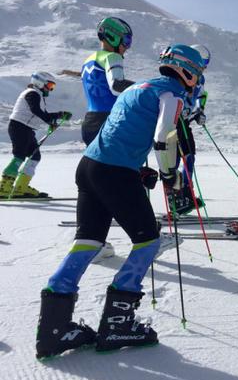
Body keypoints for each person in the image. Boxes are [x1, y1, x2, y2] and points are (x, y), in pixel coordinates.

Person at [36, 44, 205, 359]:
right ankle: (118, 324)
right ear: (189, 72)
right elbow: (163, 137)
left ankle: (53, 330)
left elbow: (119, 130)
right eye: (198, 73)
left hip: (89, 167)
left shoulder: (137, 89)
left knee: (88, 241)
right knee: (148, 241)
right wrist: (171, 176)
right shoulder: (172, 95)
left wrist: (138, 169)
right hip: (114, 172)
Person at [0, 72, 71, 198]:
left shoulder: (36, 95)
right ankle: (4, 187)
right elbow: (36, 111)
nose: (50, 89)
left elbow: (41, 113)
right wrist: (50, 120)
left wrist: (59, 115)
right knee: (19, 156)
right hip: (19, 127)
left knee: (35, 156)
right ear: (40, 82)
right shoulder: (32, 93)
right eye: (49, 85)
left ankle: (20, 187)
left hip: (25, 129)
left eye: (52, 87)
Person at [80, 17, 134, 146]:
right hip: (109, 122)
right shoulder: (112, 56)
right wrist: (141, 87)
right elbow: (116, 86)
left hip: (89, 123)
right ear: (112, 37)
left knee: (96, 165)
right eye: (126, 41)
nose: (127, 47)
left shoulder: (88, 61)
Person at [172, 44, 211, 215]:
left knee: (189, 157)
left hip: (184, 122)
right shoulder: (182, 75)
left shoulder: (200, 80)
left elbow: (200, 98)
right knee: (175, 160)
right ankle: (176, 197)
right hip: (174, 121)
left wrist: (198, 113)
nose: (203, 68)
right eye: (202, 64)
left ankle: (186, 193)